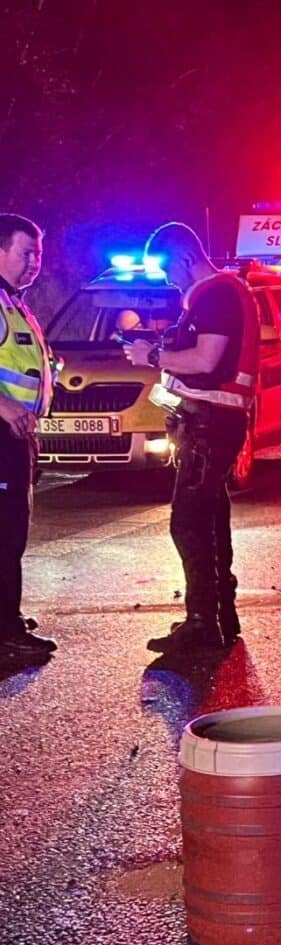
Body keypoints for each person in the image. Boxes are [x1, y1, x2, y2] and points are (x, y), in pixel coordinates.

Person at [124, 223, 258, 654]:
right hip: (212, 422)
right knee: (211, 518)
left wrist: (154, 356)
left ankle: (202, 623)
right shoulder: (222, 293)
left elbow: (205, 359)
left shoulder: (216, 293)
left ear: (183, 257)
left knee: (189, 523)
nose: (167, 279)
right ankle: (220, 615)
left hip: (208, 424)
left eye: (167, 269)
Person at [0, 214, 57, 661]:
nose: (35, 262)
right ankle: (6, 633)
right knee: (5, 532)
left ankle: (7, 617)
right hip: (2, 435)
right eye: (26, 252)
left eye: (38, 252)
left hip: (17, 437)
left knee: (13, 530)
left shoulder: (14, 302)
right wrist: (6, 407)